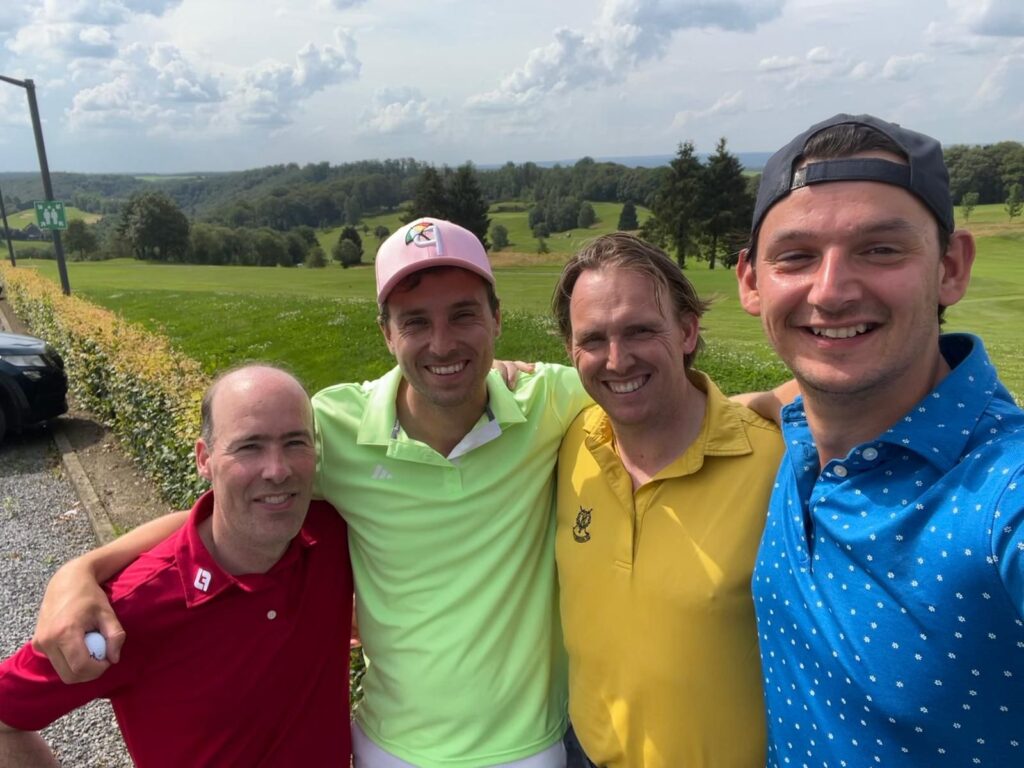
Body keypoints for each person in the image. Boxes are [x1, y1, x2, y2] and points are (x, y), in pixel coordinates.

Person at [32, 219, 591, 768]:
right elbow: (232, 508)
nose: (442, 343)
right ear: (387, 333)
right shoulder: (334, 426)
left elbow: (636, 395)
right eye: (415, 321)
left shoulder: (554, 400)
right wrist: (81, 570)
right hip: (389, 747)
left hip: (529, 747)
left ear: (497, 319)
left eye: (464, 314)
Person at [736, 113, 1024, 766]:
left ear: (951, 267)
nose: (832, 291)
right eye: (796, 256)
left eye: (881, 249)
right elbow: (781, 399)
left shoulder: (1003, 492)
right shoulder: (799, 428)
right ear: (752, 282)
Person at [0, 364, 353, 767]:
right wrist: (78, 573)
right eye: (249, 446)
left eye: (295, 442)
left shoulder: (331, 532)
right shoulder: (128, 610)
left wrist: (84, 566)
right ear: (205, 459)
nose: (278, 470)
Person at [550, 233, 783, 767]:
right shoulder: (570, 442)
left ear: (687, 330)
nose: (617, 360)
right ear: (570, 350)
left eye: (639, 330)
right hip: (583, 753)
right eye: (593, 339)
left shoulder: (775, 461)